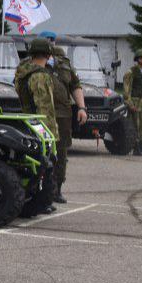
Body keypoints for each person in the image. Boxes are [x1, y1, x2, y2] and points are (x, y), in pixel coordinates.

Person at [15, 38, 59, 213]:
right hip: (38, 125)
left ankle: (36, 200)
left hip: (26, 122)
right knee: (44, 166)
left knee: (33, 165)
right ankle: (41, 202)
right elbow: (45, 107)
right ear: (48, 55)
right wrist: (51, 134)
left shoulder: (22, 71)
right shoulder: (40, 75)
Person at [48, 43, 85, 203]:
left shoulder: (65, 65)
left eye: (52, 40)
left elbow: (75, 86)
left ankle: (57, 188)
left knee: (61, 152)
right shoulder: (32, 64)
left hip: (63, 114)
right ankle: (42, 191)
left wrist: (82, 107)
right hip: (40, 114)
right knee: (41, 152)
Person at [123, 48, 142, 156]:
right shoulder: (131, 71)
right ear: (137, 59)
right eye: (140, 57)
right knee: (135, 125)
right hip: (135, 101)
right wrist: (129, 103)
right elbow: (126, 88)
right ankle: (136, 147)